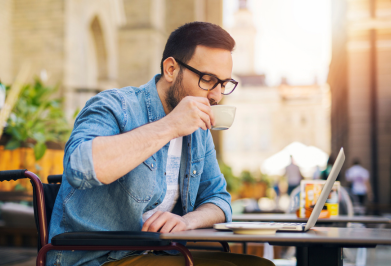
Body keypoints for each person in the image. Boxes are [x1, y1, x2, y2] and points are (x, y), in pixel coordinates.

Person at [47, 22, 274, 266]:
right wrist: (169, 126)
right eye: (208, 79)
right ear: (171, 69)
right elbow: (80, 166)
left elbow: (218, 199)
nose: (216, 95)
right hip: (96, 259)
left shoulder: (198, 133)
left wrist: (188, 221)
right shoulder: (115, 106)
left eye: (223, 84)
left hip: (160, 254)